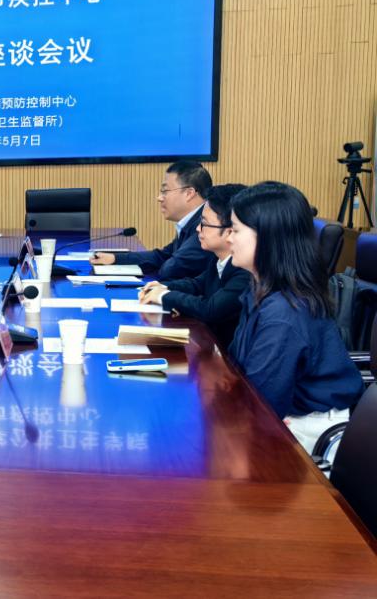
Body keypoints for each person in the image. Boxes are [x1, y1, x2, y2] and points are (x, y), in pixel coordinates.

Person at [227, 181, 364, 454]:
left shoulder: (283, 312)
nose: (228, 237)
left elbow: (261, 407)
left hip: (311, 429)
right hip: (281, 415)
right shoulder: (261, 289)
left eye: (236, 229)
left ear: (268, 238)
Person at [138, 183, 251, 348]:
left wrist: (164, 296)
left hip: (225, 358)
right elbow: (197, 284)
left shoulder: (245, 271)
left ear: (230, 230)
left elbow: (210, 309)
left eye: (204, 223)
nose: (198, 229)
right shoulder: (218, 258)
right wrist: (163, 286)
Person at [92, 160, 213, 280]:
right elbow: (162, 256)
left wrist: (163, 263)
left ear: (189, 193)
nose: (159, 198)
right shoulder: (191, 221)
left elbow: (171, 269)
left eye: (165, 191)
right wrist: (115, 258)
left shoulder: (206, 226)